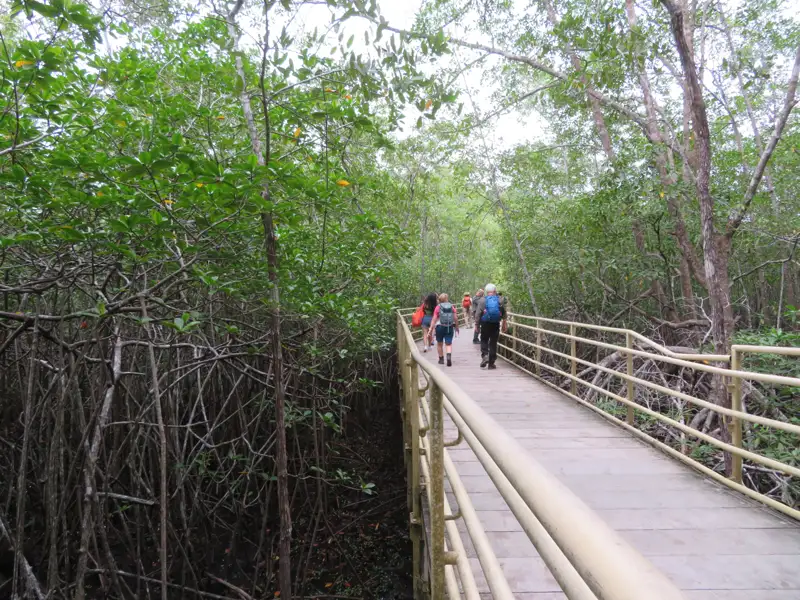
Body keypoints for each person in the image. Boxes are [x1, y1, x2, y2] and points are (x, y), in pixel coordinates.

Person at [474, 283, 507, 370]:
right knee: (493, 342)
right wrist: (504, 323)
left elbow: (477, 314)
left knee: (484, 340)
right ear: (495, 291)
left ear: (486, 291)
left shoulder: (482, 300)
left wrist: (476, 325)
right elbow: (504, 312)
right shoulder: (500, 300)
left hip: (485, 323)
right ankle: (491, 363)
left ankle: (485, 355)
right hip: (495, 323)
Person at [428, 293, 460, 366]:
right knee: (448, 343)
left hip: (439, 327)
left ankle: (441, 359)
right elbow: (455, 318)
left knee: (439, 344)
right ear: (447, 299)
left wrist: (430, 328)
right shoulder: (451, 306)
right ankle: (448, 357)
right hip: (449, 326)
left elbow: (434, 319)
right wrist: (457, 327)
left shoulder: (438, 307)